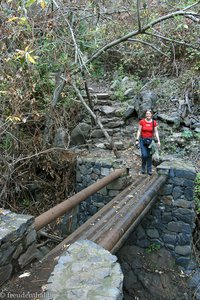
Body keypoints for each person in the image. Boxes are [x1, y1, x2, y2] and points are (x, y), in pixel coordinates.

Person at [135, 110, 160, 175]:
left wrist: (158, 141)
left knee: (149, 155)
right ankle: (143, 167)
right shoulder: (142, 121)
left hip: (150, 141)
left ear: (151, 115)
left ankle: (149, 170)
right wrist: (137, 140)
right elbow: (139, 131)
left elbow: (156, 132)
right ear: (145, 115)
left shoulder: (154, 122)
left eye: (149, 114)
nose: (148, 115)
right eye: (147, 114)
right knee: (144, 155)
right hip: (142, 140)